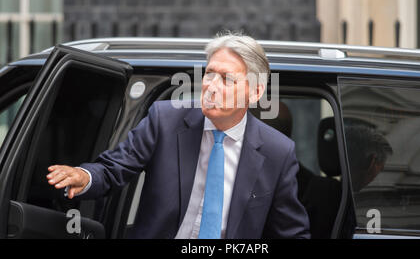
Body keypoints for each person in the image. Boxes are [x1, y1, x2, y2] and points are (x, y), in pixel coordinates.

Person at [46, 31, 310, 239]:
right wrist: (85, 176)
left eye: (226, 79)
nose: (211, 86)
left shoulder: (277, 151)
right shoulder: (166, 120)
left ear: (255, 93)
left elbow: (292, 232)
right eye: (209, 74)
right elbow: (114, 168)